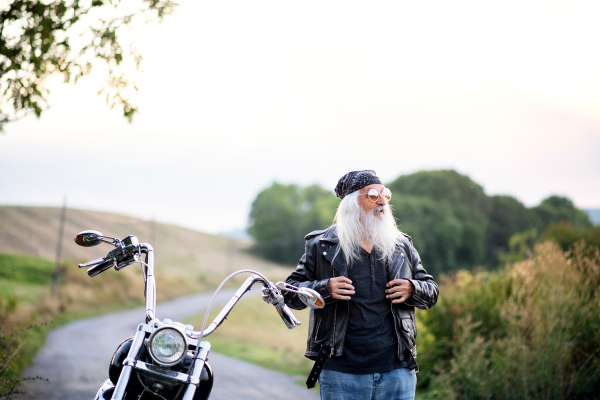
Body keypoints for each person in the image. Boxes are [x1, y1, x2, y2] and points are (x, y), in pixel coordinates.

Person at [283, 170, 439, 400]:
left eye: (385, 194)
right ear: (352, 203)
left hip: (397, 370)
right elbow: (290, 293)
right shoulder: (322, 245)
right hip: (341, 372)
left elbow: (431, 290)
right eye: (372, 195)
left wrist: (412, 288)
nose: (382, 201)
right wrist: (325, 289)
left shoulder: (402, 245)